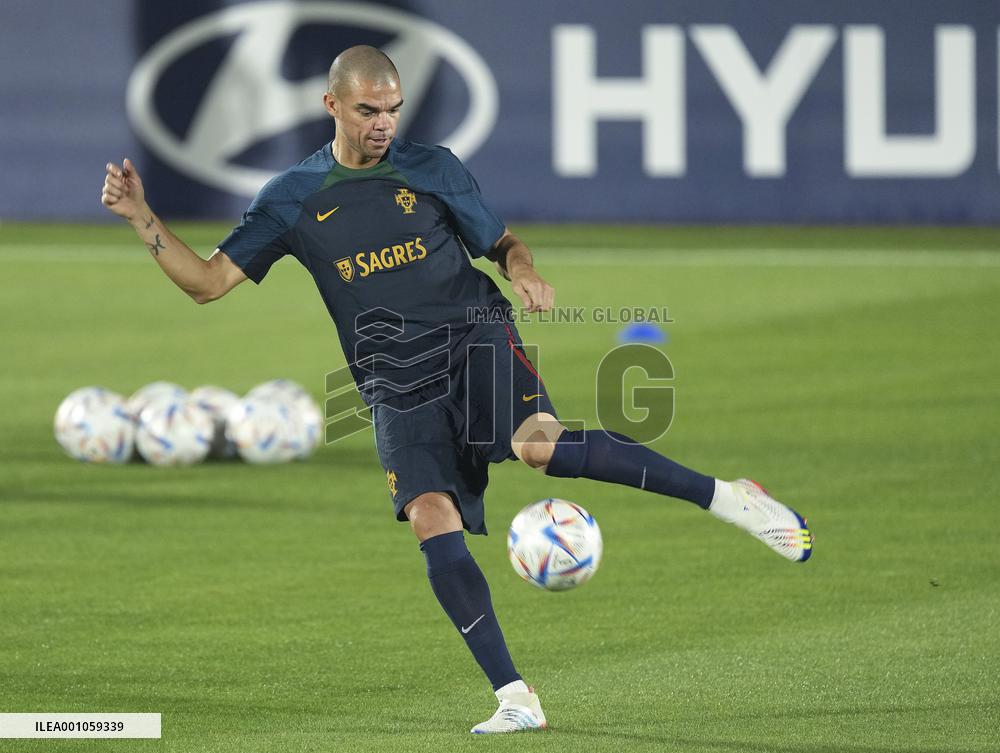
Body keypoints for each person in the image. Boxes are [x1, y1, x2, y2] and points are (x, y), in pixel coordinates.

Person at [102, 45, 813, 734]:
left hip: (473, 334)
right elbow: (206, 284)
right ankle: (516, 697)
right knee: (428, 514)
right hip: (392, 378)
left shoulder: (432, 168)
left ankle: (729, 497)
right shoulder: (290, 198)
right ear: (331, 105)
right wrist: (141, 218)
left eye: (393, 109)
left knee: (540, 449)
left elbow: (504, 243)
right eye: (368, 108)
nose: (383, 122)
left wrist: (524, 271)